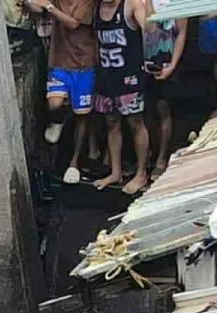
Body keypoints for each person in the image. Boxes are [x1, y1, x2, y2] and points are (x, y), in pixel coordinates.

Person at [23, 0, 97, 185]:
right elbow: (37, 7)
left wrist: (50, 8)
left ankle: (74, 163)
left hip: (84, 63)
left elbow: (73, 23)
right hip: (59, 61)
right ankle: (58, 120)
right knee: (54, 104)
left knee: (82, 115)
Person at [93, 0, 151, 194]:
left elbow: (150, 29)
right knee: (111, 123)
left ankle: (141, 173)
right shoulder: (97, 8)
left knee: (135, 123)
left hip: (130, 76)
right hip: (107, 76)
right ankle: (115, 172)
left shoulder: (131, 4)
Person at [143, 3, 186, 181]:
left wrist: (173, 65)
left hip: (169, 60)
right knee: (146, 111)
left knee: (163, 109)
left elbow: (181, 33)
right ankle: (148, 154)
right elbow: (148, 26)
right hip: (145, 61)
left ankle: (162, 157)